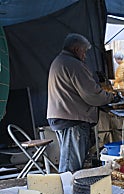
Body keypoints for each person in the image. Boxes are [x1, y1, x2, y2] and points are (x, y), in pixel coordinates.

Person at [47, 33, 115, 172]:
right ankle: (68, 192)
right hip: (71, 119)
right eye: (84, 52)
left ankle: (70, 190)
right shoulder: (73, 64)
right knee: (70, 167)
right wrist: (111, 97)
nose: (84, 56)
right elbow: (92, 94)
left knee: (70, 161)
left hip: (63, 116)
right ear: (77, 49)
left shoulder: (61, 61)